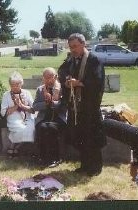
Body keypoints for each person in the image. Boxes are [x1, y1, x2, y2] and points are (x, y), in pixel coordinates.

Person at [58, 33, 106, 176]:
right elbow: (62, 71)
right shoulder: (71, 60)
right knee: (80, 137)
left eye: (75, 46)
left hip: (90, 106)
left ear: (83, 44)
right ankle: (84, 165)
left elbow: (97, 82)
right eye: (71, 47)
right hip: (76, 107)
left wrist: (79, 83)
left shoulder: (94, 60)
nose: (73, 49)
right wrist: (66, 81)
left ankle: (95, 168)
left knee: (92, 137)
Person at [33, 67, 67, 167]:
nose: (48, 80)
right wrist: (45, 103)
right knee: (43, 127)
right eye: (45, 77)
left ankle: (55, 158)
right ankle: (42, 157)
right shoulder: (40, 90)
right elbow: (34, 106)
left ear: (55, 77)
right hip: (44, 118)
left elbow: (64, 106)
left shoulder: (62, 89)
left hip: (58, 118)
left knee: (51, 127)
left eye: (50, 77)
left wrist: (53, 102)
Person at [1, 71, 35, 157]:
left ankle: (14, 145)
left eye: (17, 84)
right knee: (21, 129)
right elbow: (3, 112)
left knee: (31, 130)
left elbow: (33, 109)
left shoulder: (27, 93)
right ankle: (17, 147)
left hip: (28, 117)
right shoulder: (6, 95)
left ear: (21, 83)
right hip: (13, 117)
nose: (15, 87)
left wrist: (22, 105)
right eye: (12, 85)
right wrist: (16, 106)